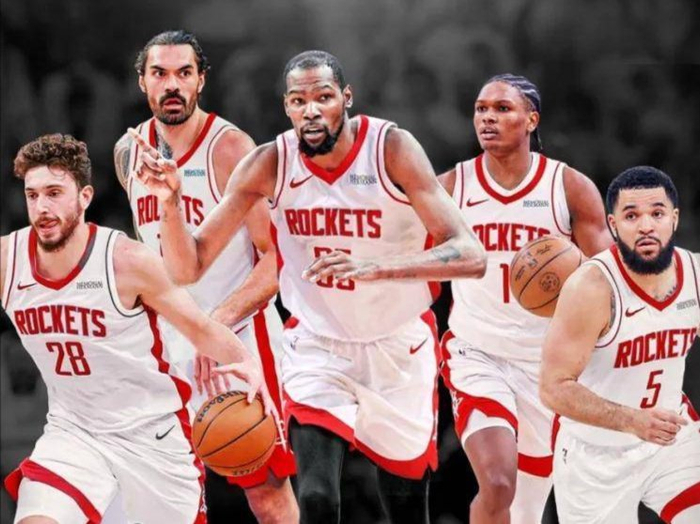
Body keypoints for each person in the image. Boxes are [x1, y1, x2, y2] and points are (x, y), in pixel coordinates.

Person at [130, 50, 487, 524]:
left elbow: (471, 255)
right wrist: (171, 202)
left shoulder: (391, 148)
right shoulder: (269, 163)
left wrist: (377, 267)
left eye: (323, 97)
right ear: (287, 107)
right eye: (299, 101)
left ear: (347, 98)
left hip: (398, 346)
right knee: (316, 498)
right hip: (318, 347)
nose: (311, 110)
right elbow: (187, 267)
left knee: (405, 507)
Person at [0, 134, 271, 524]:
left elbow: (198, 326)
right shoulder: (9, 262)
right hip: (73, 433)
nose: (42, 207)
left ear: (85, 197)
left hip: (152, 438)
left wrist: (247, 361)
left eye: (54, 193)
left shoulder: (126, 261)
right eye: (32, 195)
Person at [113, 30, 297, 523]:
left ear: (201, 81)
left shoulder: (231, 149)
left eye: (184, 73)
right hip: (170, 345)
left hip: (239, 336)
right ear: (142, 81)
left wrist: (216, 325)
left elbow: (278, 258)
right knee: (166, 497)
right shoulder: (127, 152)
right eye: (160, 73)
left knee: (267, 495)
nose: (172, 85)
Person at [437, 74, 613, 524]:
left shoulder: (567, 187)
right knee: (498, 482)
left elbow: (611, 282)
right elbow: (410, 257)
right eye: (481, 109)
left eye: (502, 108)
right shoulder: (452, 187)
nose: (488, 118)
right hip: (478, 354)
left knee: (526, 511)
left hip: (547, 365)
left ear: (532, 120)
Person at [540, 166, 700, 524]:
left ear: (674, 219)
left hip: (671, 439)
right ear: (612, 225)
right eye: (631, 216)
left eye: (657, 213)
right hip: (594, 456)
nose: (646, 226)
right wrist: (633, 420)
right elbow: (553, 388)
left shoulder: (695, 274)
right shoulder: (591, 288)